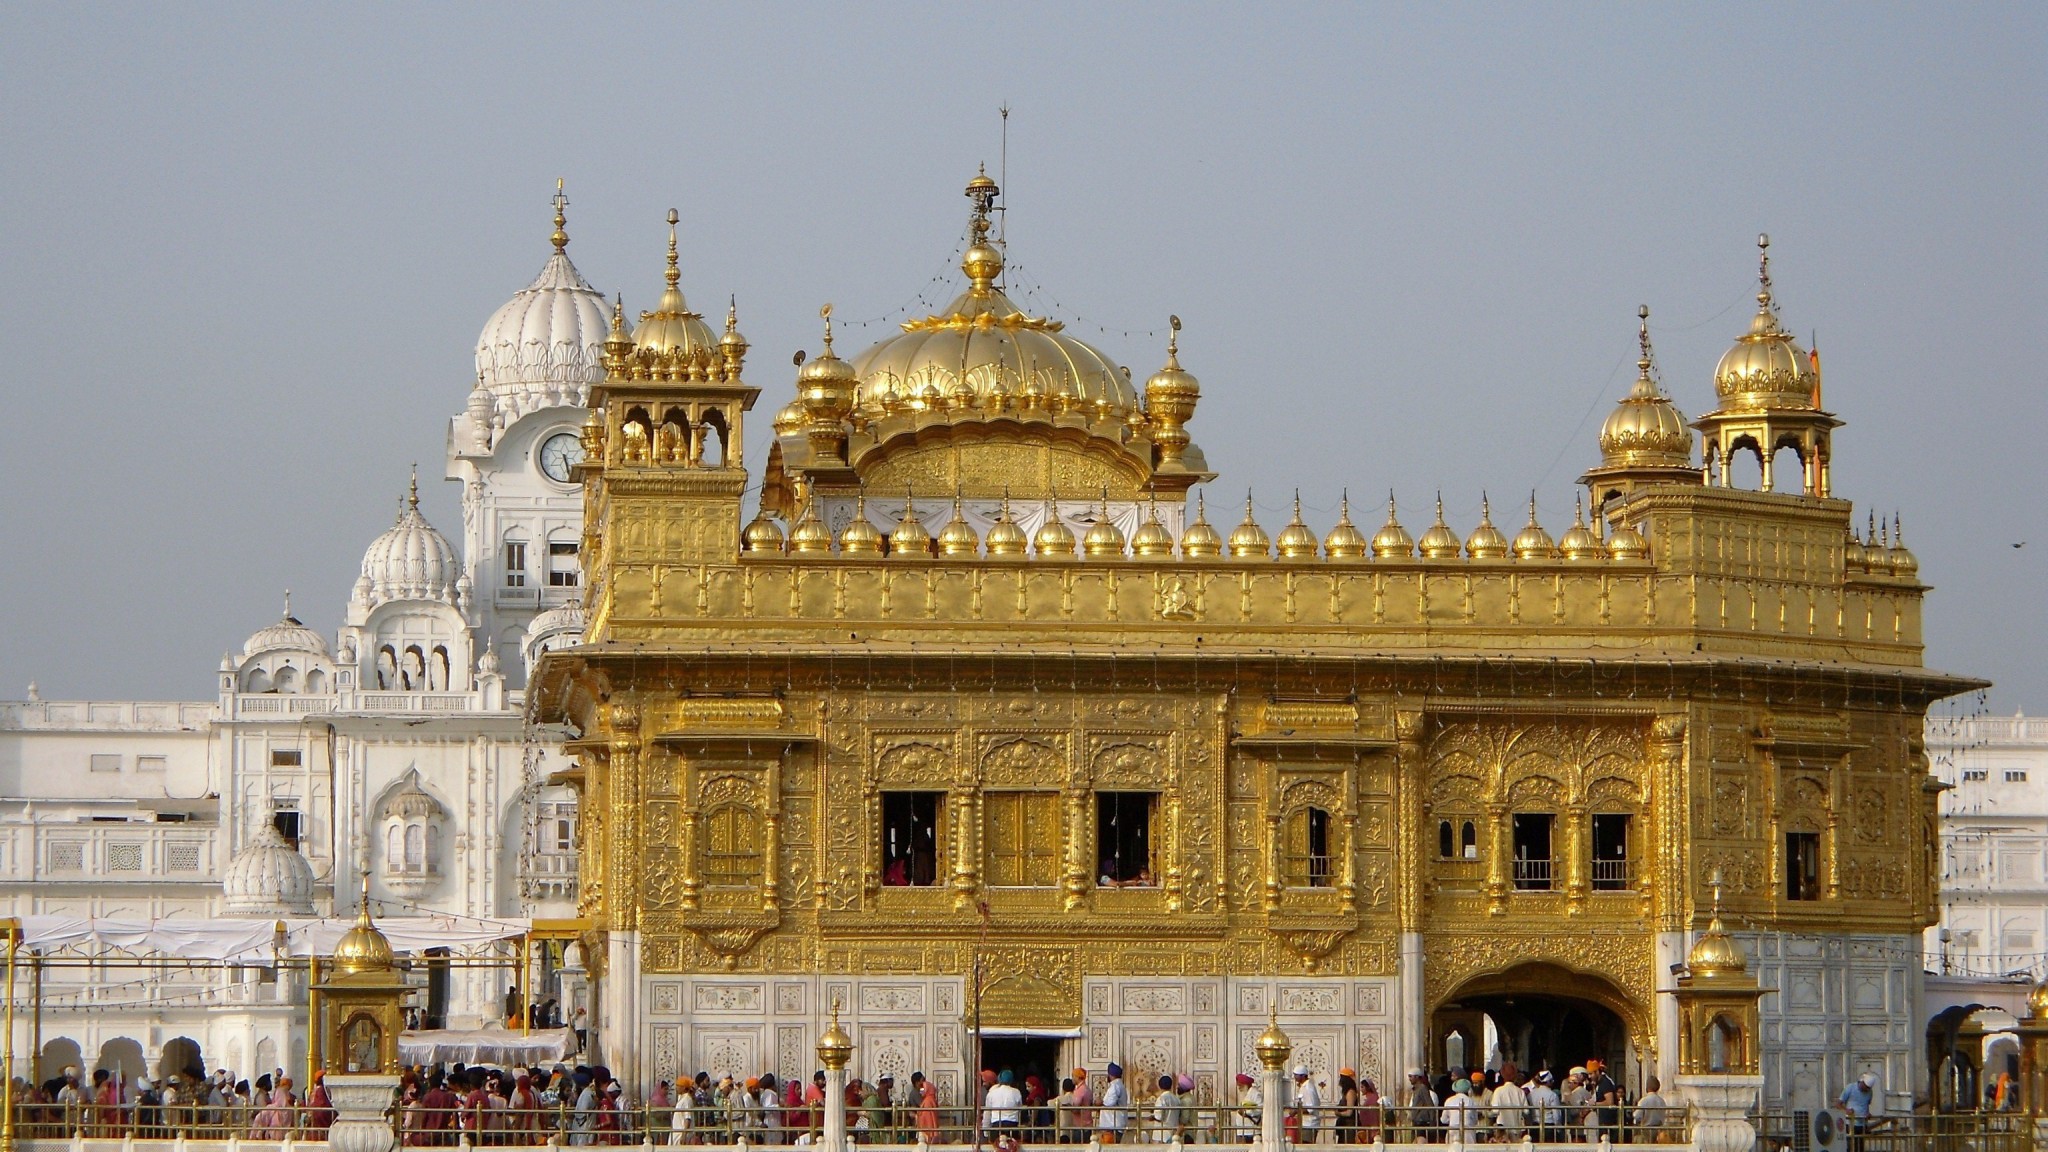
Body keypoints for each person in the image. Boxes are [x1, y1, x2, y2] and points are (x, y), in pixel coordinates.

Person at [1395, 1068, 1436, 1145]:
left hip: (1422, 1121)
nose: (1409, 1079)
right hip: (1417, 1120)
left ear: (1417, 1077)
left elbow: (1429, 1104)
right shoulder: (1416, 1089)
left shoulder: (1422, 1088)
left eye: (1411, 1076)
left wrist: (1432, 1120)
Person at [1839, 1072, 1876, 1152]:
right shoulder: (1850, 1088)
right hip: (1850, 1124)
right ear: (1862, 1082)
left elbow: (1866, 1105)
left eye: (1868, 1088)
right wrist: (1846, 1110)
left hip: (1862, 1124)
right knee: (1850, 1147)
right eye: (1866, 1087)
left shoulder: (1869, 1092)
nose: (1867, 1090)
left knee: (1859, 1148)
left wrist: (1868, 1114)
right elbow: (1839, 1104)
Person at [1491, 1068, 1528, 1142]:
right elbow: (1526, 1111)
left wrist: (1487, 1113)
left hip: (1502, 1131)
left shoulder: (1498, 1091)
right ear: (1515, 1077)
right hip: (1517, 1129)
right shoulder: (1520, 1092)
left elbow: (1495, 1111)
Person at [1097, 1063, 1130, 1144]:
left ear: (1110, 1074)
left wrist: (1100, 1102)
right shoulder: (1118, 1085)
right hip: (1113, 1125)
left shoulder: (1115, 1086)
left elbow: (1110, 1103)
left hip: (1112, 1126)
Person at [1631, 1076, 1669, 1143]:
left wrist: (1634, 1110)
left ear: (1647, 1087)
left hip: (1646, 1130)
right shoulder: (1662, 1101)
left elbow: (1637, 1116)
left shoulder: (1644, 1101)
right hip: (1659, 1131)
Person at [1526, 1071, 1561, 1144]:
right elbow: (1556, 1115)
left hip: (1535, 1126)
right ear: (1549, 1081)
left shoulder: (1531, 1094)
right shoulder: (1552, 1095)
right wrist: (1558, 1128)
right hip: (1549, 1126)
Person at [1440, 1079, 1475, 1146]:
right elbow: (1474, 1120)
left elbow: (1443, 1120)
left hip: (1453, 1129)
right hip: (1467, 1130)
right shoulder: (1471, 1101)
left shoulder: (1449, 1100)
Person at [1150, 1074, 1182, 1144]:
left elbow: (1159, 1117)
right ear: (1171, 1085)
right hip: (1172, 1133)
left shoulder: (1161, 1099)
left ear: (1159, 1086)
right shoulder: (1176, 1099)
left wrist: (1152, 1117)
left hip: (1161, 1135)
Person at [1231, 1073, 1259, 1144]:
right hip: (1243, 1130)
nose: (1239, 1088)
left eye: (1240, 1085)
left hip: (1251, 1130)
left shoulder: (1256, 1094)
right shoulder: (1245, 1094)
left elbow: (1260, 1109)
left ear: (1246, 1085)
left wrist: (1246, 1113)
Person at [914, 1072, 941, 1143]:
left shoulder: (928, 1101)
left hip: (927, 1132)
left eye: (923, 1088)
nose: (921, 1090)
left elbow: (927, 1119)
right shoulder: (928, 1099)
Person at [1070, 1068, 1096, 1140]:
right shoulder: (1087, 1089)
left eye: (1073, 1076)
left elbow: (1076, 1109)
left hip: (1080, 1126)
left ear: (1078, 1077)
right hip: (1088, 1125)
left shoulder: (1080, 1091)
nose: (1072, 1078)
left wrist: (1069, 1107)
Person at [1357, 1078, 1382, 1145]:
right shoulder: (1371, 1098)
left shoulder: (1372, 1099)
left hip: (1372, 1129)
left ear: (1368, 1087)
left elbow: (1372, 1115)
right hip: (1369, 1128)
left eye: (1362, 1087)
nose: (1361, 1089)